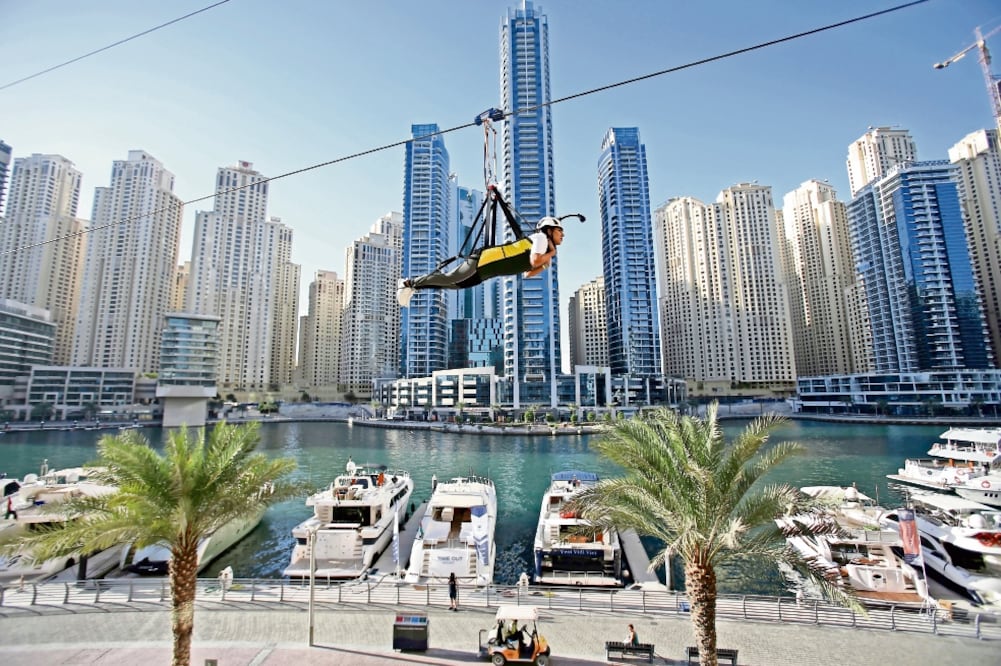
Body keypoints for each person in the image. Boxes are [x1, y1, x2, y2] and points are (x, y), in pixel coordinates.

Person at [397, 215, 566, 307]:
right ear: (549, 230)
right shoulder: (540, 238)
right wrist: (551, 254)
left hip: (485, 272)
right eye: (560, 231)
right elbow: (535, 261)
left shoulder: (543, 248)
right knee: (450, 279)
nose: (562, 235)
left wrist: (544, 265)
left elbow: (528, 273)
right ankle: (407, 283)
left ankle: (413, 286)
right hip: (484, 261)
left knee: (453, 285)